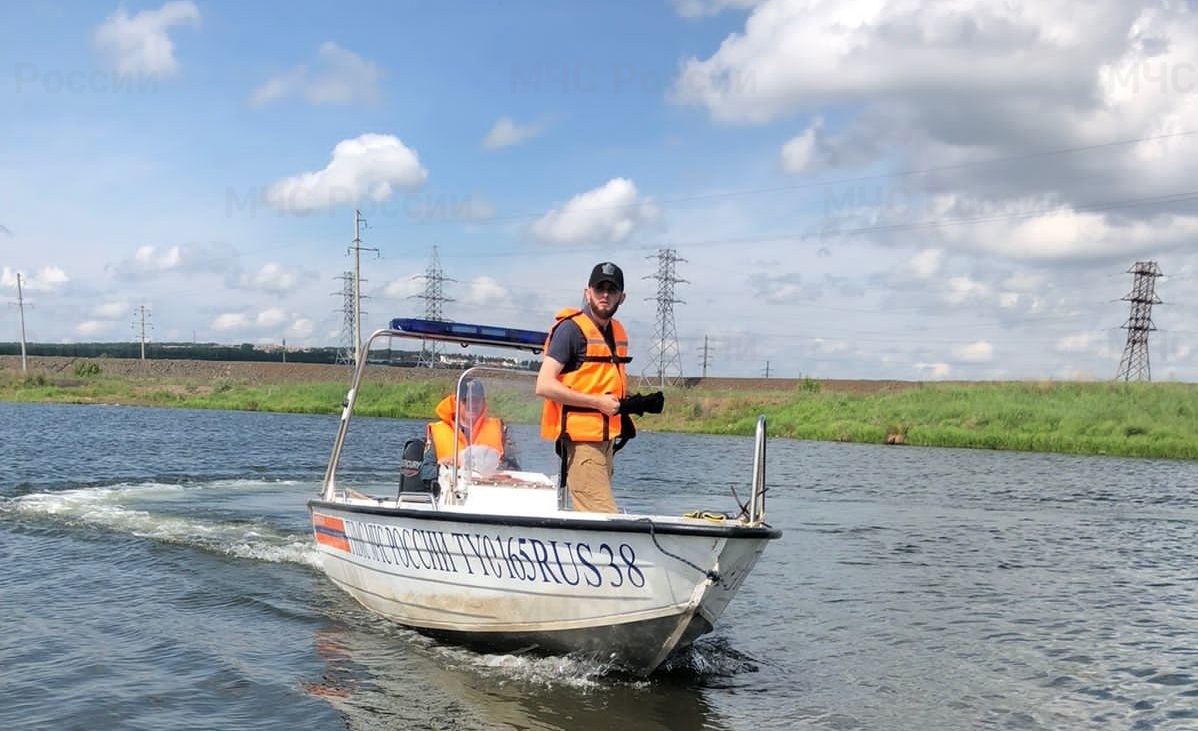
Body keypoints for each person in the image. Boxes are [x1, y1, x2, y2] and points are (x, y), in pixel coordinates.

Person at [536, 261, 632, 513]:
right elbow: (544, 384)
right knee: (604, 516)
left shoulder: (616, 332)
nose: (605, 295)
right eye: (599, 288)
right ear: (587, 292)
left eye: (612, 290)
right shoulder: (571, 329)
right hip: (582, 443)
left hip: (606, 441)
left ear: (622, 297)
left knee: (596, 516)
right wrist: (597, 402)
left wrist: (632, 403)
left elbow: (600, 382)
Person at [421, 377, 520, 484]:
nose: (472, 405)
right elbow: (426, 472)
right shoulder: (437, 431)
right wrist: (444, 467)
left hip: (489, 491)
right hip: (452, 494)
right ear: (456, 401)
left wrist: (492, 469)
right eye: (466, 400)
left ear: (483, 402)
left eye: (476, 400)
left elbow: (514, 469)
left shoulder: (499, 429)